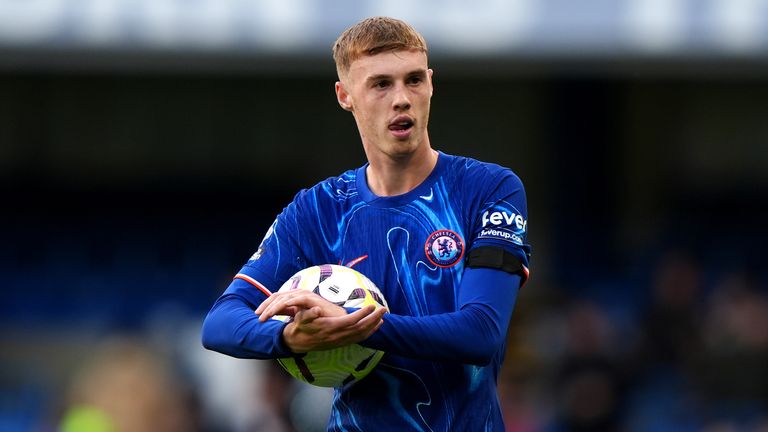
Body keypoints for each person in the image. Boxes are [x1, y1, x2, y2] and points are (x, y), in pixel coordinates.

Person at [202, 16, 532, 431]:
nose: (402, 99)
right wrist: (289, 339)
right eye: (381, 84)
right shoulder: (318, 209)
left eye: (414, 80)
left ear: (431, 83)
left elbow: (481, 331)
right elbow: (220, 321)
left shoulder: (488, 189)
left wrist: (348, 325)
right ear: (345, 95)